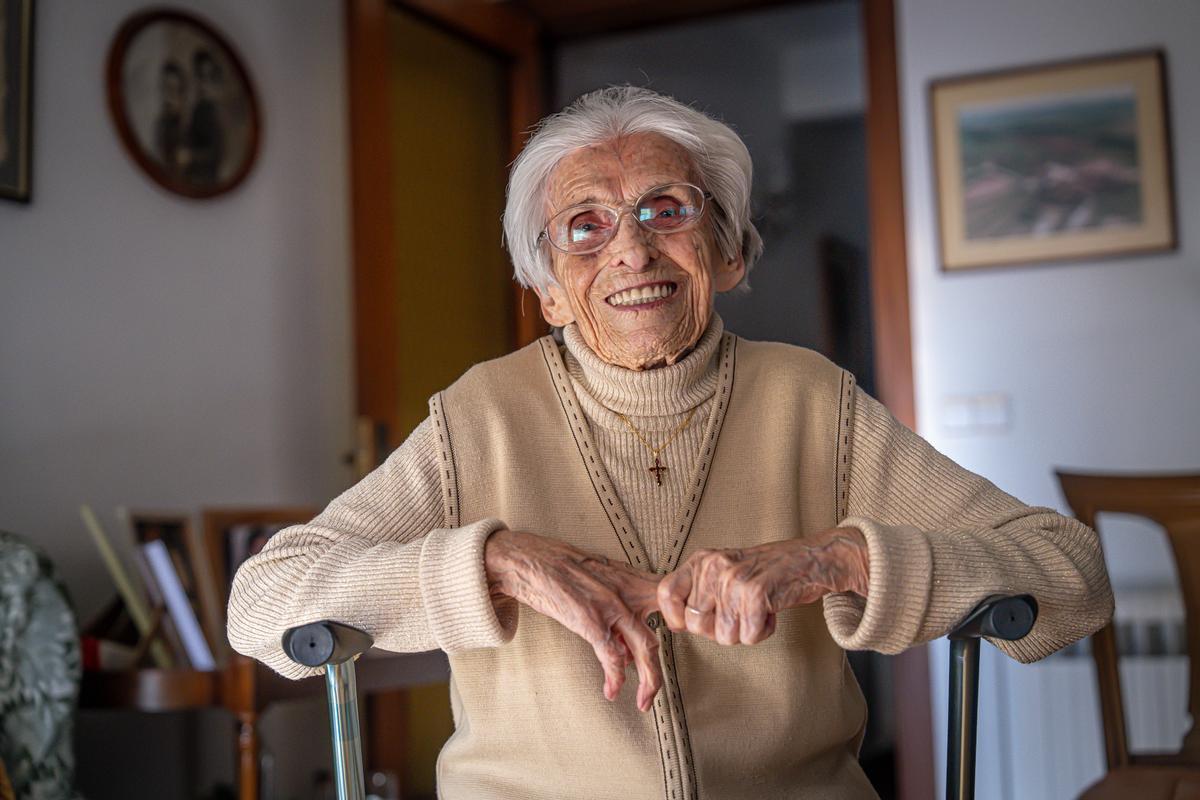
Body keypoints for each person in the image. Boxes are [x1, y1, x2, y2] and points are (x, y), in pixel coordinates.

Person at [228, 86, 1113, 799]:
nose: (632, 250)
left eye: (666, 210)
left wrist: (839, 559)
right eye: (587, 225)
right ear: (549, 291)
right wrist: (494, 564)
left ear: (727, 251)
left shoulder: (811, 401)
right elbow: (259, 606)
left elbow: (1070, 575)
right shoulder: (481, 416)